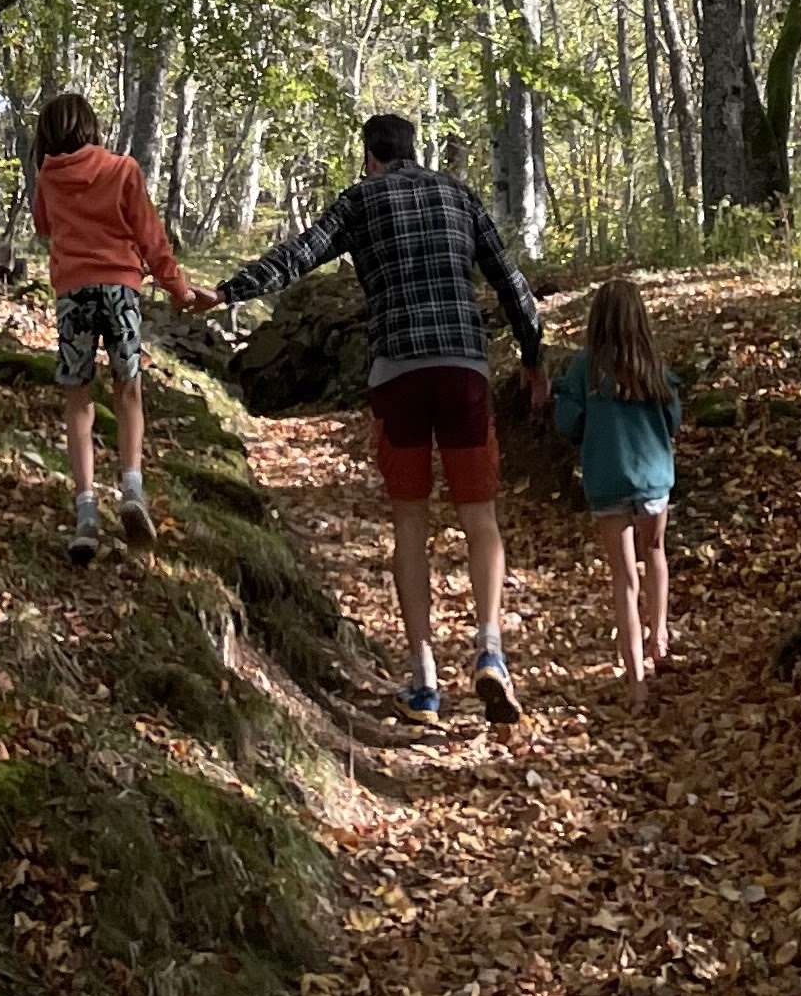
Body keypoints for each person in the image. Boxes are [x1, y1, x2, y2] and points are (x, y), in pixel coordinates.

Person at [216, 108, 545, 726]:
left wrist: (230, 290)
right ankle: (491, 651)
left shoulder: (361, 199)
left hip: (397, 371)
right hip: (463, 367)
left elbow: (301, 254)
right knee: (481, 519)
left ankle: (424, 679)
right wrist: (532, 356)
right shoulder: (459, 195)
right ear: (413, 150)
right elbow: (512, 284)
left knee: (410, 524)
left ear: (370, 154)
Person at [29, 90, 209, 562]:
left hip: (73, 294)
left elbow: (44, 226)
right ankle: (131, 487)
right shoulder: (122, 170)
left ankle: (86, 510)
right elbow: (152, 237)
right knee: (128, 387)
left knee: (77, 397)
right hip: (121, 290)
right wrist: (179, 290)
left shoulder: (48, 176)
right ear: (90, 127)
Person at [551, 270, 681, 685]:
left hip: (608, 480)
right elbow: (673, 420)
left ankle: (635, 677)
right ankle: (660, 637)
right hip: (654, 480)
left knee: (624, 577)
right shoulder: (654, 365)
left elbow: (568, 424)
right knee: (656, 553)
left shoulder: (586, 368)